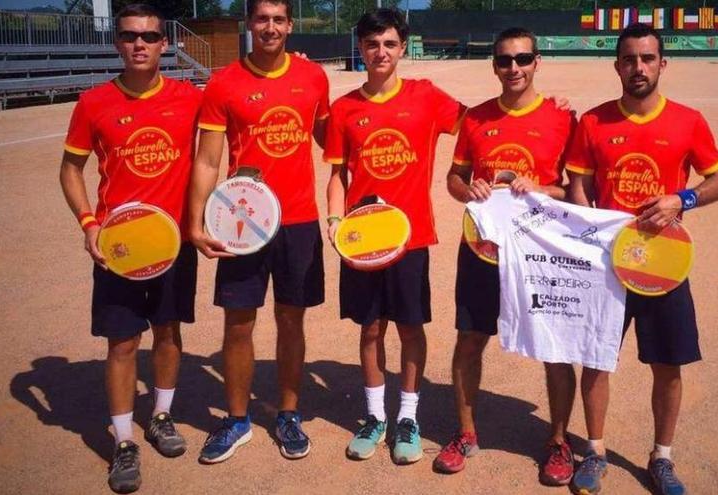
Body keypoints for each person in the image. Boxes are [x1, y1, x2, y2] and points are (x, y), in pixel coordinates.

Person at [565, 23, 718, 495]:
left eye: (647, 58)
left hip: (663, 263)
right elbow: (579, 180)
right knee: (597, 361)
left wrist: (684, 199)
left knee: (668, 364)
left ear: (663, 63)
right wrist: (587, 216)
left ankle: (662, 458)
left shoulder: (688, 121)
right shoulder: (594, 122)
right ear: (616, 65)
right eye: (629, 59)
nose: (638, 67)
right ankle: (595, 450)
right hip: (607, 265)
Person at [58, 4, 201, 493]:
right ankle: (123, 441)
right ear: (117, 43)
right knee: (122, 342)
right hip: (119, 246)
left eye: (149, 36)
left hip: (173, 242)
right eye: (129, 36)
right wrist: (88, 222)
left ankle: (160, 416)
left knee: (167, 331)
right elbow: (70, 170)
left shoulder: (188, 99)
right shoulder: (94, 102)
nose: (139, 44)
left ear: (165, 43)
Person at [433, 26, 580, 486]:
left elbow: (574, 190)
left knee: (554, 349)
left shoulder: (563, 119)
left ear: (537, 62)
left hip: (540, 253)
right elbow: (454, 180)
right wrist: (468, 189)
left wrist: (543, 189)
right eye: (504, 60)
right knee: (470, 339)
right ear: (494, 65)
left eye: (522, 59)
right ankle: (466, 433)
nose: (513, 68)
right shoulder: (475, 119)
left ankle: (558, 440)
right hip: (482, 248)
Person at [187, 0, 329, 463]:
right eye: (262, 19)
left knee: (291, 320)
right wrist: (196, 220)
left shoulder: (313, 78)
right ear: (251, 24)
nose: (270, 27)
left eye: (279, 19)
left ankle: (288, 413)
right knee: (239, 322)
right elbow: (208, 160)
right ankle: (236, 419)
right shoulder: (225, 82)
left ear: (290, 25)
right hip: (241, 223)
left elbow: (333, 139)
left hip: (299, 220)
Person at [323, 8, 466, 465]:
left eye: (388, 43)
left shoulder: (426, 96)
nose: (380, 52)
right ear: (360, 49)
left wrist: (549, 106)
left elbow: (478, 124)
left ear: (402, 47)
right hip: (363, 237)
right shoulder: (345, 108)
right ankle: (373, 417)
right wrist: (333, 222)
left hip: (412, 237)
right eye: (371, 44)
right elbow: (336, 177)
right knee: (370, 328)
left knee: (409, 327)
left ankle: (407, 417)